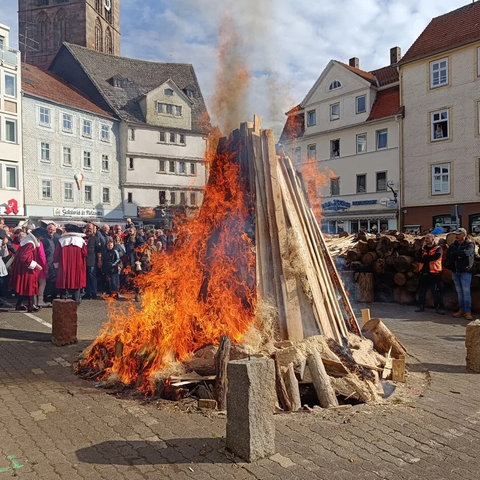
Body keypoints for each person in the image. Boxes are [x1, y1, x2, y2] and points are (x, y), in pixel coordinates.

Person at [9, 230, 43, 312]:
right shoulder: (30, 244)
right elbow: (24, 257)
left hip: (22, 267)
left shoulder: (26, 242)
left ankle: (19, 304)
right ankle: (30, 306)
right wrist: (36, 265)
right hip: (26, 269)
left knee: (23, 286)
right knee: (30, 286)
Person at [53, 224, 87, 304]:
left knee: (64, 280)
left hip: (64, 265)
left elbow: (56, 254)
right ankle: (76, 300)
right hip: (77, 265)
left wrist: (56, 265)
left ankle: (63, 299)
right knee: (76, 281)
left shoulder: (61, 240)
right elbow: (85, 253)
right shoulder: (81, 241)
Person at [447, 228, 475, 320]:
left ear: (464, 235)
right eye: (456, 234)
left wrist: (456, 254)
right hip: (455, 271)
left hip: (465, 272)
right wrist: (458, 255)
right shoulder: (453, 245)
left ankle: (468, 312)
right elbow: (449, 254)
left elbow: (467, 253)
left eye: (458, 234)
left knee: (466, 292)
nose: (456, 236)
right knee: (459, 293)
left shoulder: (470, 244)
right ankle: (461, 310)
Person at [415, 233, 445, 314]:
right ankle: (421, 306)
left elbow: (435, 258)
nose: (426, 240)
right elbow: (418, 258)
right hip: (423, 272)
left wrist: (424, 258)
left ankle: (438, 308)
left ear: (433, 239)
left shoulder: (438, 248)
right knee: (422, 291)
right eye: (425, 238)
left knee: (436, 291)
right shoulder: (422, 249)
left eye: (428, 238)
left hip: (434, 273)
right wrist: (426, 258)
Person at [83, 222, 103, 299]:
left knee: (92, 278)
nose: (89, 230)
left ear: (93, 229)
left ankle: (94, 293)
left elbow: (99, 251)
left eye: (90, 228)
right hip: (83, 262)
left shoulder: (96, 238)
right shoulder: (83, 238)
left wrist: (99, 261)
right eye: (88, 228)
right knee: (86, 278)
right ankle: (87, 293)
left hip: (92, 261)